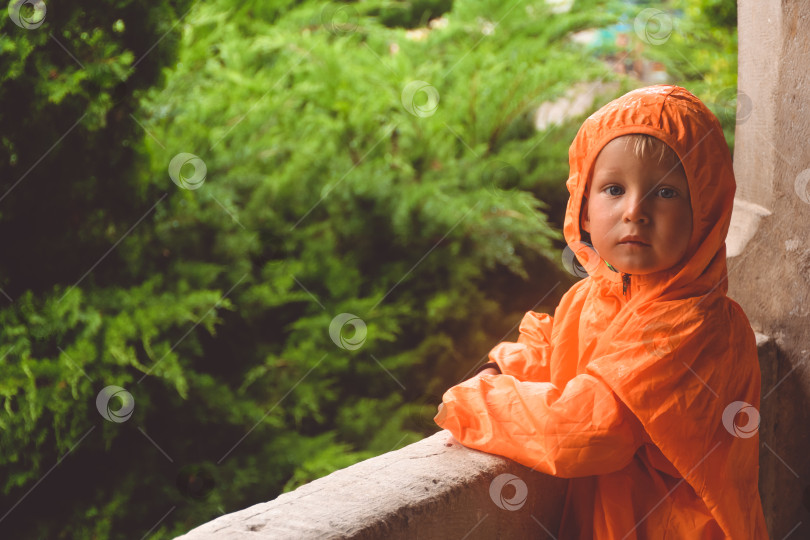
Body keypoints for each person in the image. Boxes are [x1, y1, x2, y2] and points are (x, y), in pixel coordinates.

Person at [434, 85, 769, 539]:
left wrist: (471, 401)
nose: (635, 211)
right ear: (584, 209)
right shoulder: (592, 297)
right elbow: (556, 347)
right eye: (614, 188)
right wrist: (504, 366)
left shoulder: (692, 325)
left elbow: (582, 432)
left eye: (666, 192)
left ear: (706, 214)